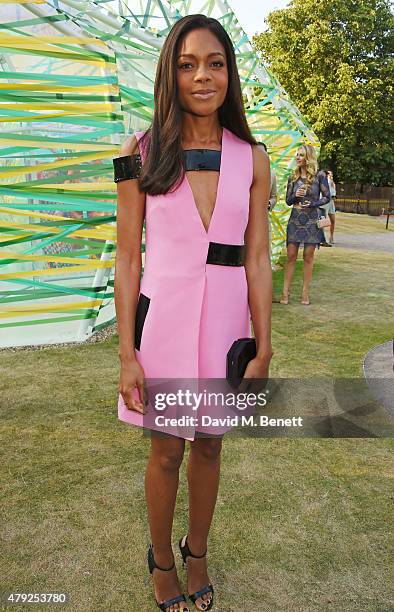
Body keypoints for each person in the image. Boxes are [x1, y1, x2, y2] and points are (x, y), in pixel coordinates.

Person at [113, 14, 273, 612]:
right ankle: (161, 562)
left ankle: (196, 552)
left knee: (210, 445)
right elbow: (128, 262)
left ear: (230, 73)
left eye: (215, 63)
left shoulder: (252, 158)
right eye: (187, 65)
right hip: (165, 325)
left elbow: (257, 258)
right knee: (166, 451)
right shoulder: (139, 154)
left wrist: (264, 346)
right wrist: (126, 354)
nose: (202, 76)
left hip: (227, 327)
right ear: (170, 75)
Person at [280, 144, 330, 306]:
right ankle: (285, 293)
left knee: (308, 257)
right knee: (291, 256)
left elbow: (327, 197)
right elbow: (288, 201)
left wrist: (313, 203)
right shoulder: (292, 177)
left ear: (308, 157)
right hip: (295, 219)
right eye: (297, 155)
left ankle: (305, 293)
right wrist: (295, 195)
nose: (297, 158)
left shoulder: (320, 176)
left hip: (311, 220)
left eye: (301, 155)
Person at [322, 170, 336, 244]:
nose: (331, 176)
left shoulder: (332, 183)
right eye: (329, 175)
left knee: (333, 220)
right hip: (325, 202)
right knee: (323, 221)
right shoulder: (324, 182)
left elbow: (334, 193)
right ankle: (322, 238)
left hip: (331, 203)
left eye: (331, 175)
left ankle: (331, 236)